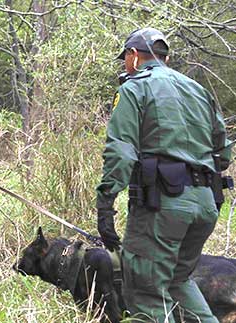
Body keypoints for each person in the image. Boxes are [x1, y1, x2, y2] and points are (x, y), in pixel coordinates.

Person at [96, 28, 232, 322]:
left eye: (125, 59)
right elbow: (224, 152)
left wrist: (105, 203)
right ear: (165, 57)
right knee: (178, 280)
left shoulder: (135, 87)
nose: (125, 65)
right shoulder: (198, 90)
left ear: (133, 57)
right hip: (206, 204)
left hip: (162, 206)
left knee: (146, 290)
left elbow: (121, 150)